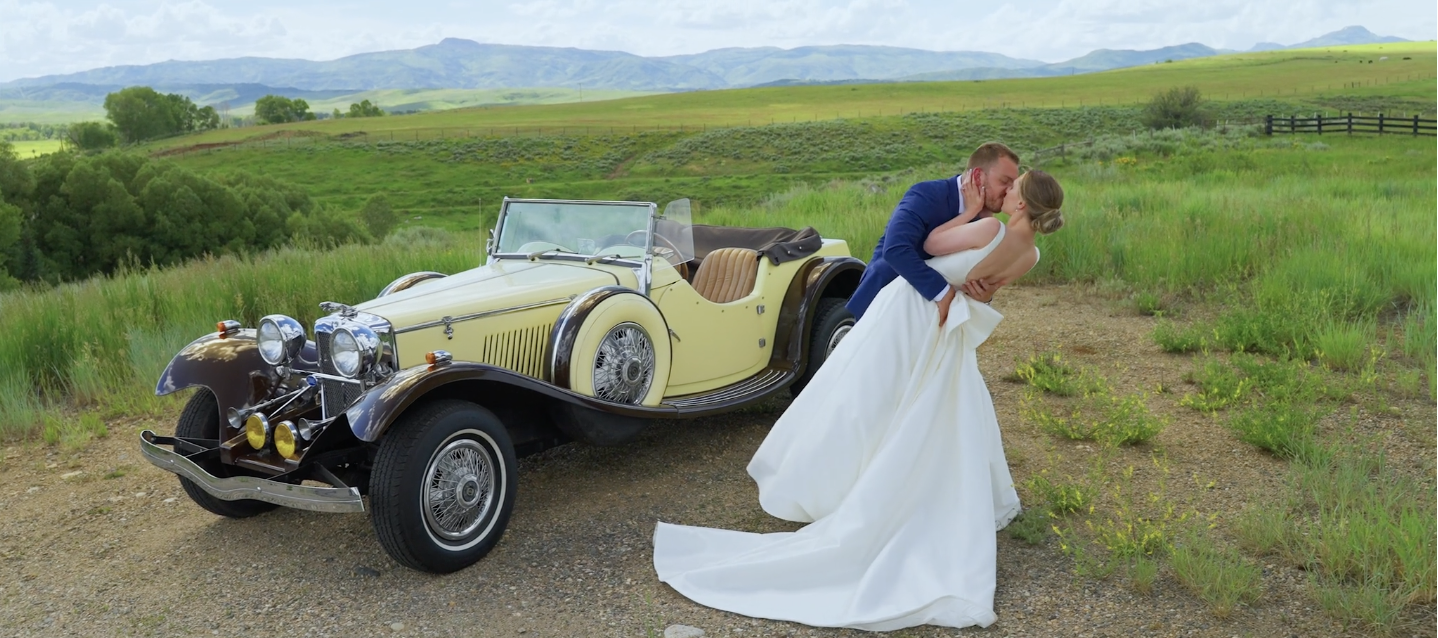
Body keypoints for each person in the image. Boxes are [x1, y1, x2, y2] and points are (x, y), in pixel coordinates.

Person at [652, 170, 1066, 631]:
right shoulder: (1030, 255)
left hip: (911, 312)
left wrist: (968, 212)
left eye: (1014, 187)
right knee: (933, 412)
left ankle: (840, 485)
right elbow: (984, 288)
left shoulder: (988, 227)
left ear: (1024, 205)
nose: (1005, 191)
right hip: (945, 333)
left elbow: (929, 246)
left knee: (863, 399)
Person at [847, 142, 1022, 326]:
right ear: (978, 176)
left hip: (934, 325)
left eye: (1013, 185)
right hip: (882, 307)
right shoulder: (927, 194)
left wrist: (983, 295)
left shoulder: (988, 226)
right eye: (1004, 182)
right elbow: (896, 249)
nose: (1009, 191)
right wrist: (942, 291)